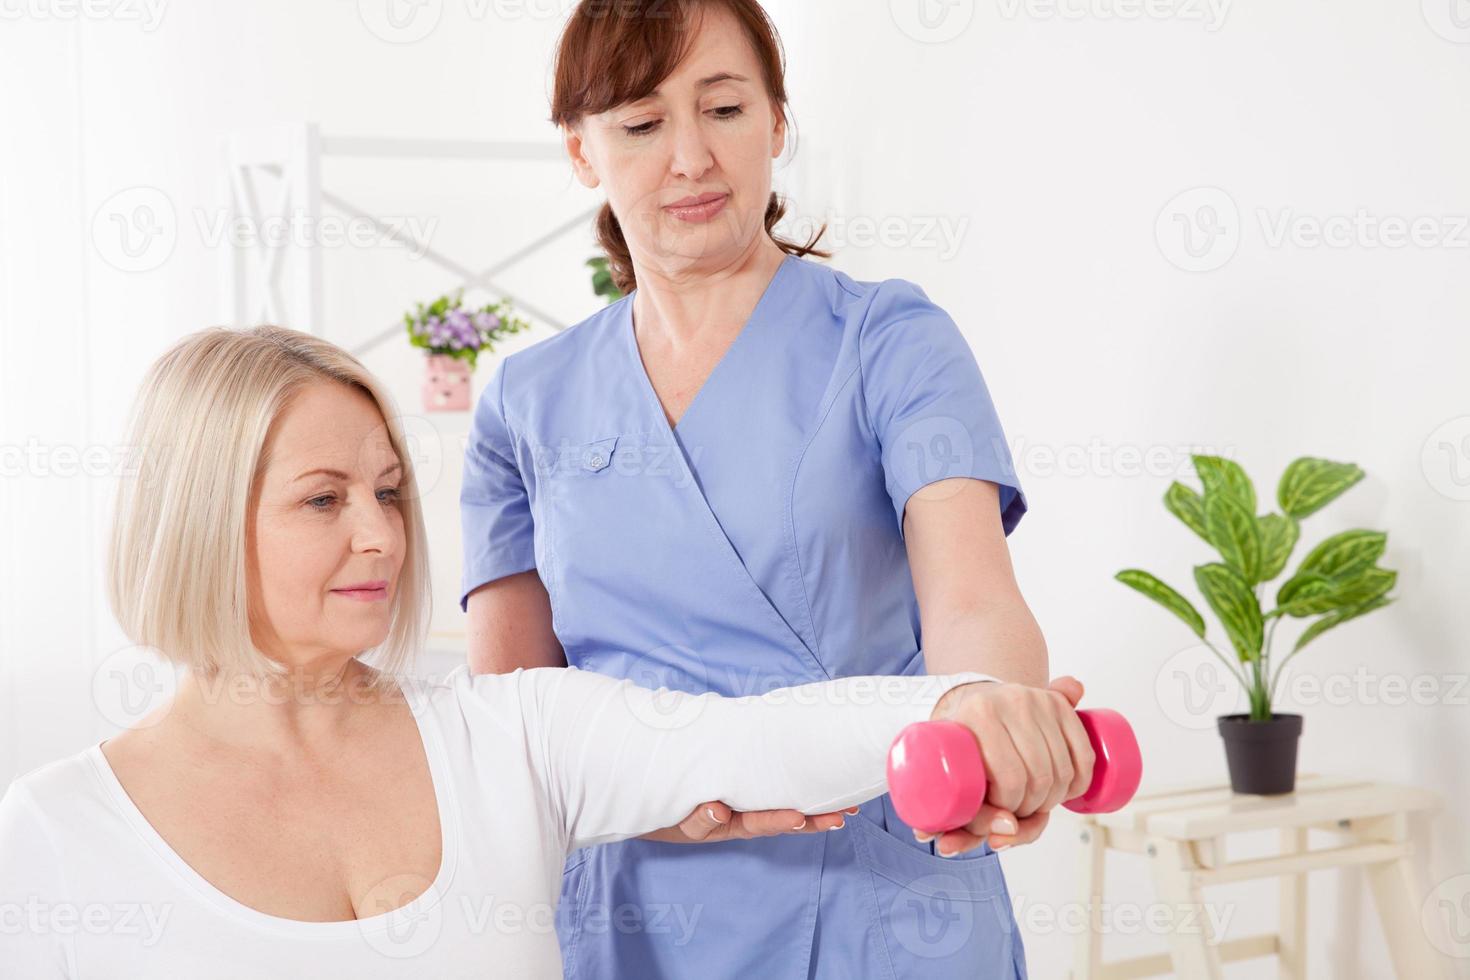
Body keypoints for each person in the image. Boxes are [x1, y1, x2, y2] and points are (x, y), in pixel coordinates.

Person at [0, 325, 1092, 978]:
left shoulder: (510, 732)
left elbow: (761, 736)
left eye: (388, 489)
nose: (381, 532)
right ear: (197, 517)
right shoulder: (51, 835)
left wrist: (973, 702)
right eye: (323, 498)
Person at [459, 2, 1068, 976]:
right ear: (582, 152)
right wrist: (655, 797)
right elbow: (509, 731)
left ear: (777, 122)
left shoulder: (890, 340)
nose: (691, 157)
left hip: (884, 898)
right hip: (642, 911)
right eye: (643, 124)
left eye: (725, 108)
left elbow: (973, 597)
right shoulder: (524, 406)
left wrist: (991, 708)